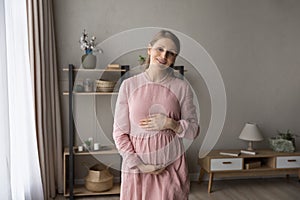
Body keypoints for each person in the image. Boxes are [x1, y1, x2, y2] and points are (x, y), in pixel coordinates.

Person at [113, 30, 199, 200]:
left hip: (171, 169)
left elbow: (193, 131)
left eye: (171, 53)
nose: (164, 56)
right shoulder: (129, 86)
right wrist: (139, 165)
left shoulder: (181, 87)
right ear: (149, 49)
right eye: (160, 49)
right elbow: (119, 133)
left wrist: (171, 124)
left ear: (175, 58)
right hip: (136, 171)